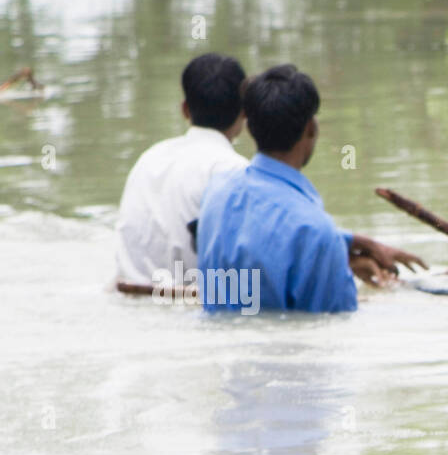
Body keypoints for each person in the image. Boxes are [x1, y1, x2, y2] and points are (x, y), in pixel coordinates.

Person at [196, 64, 424, 313]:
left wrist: (345, 243)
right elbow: (330, 326)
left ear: (250, 128)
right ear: (311, 128)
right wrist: (334, 251)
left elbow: (259, 238)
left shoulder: (216, 192)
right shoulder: (316, 231)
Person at [115, 54, 248, 294]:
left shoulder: (149, 158)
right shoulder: (236, 171)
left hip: (130, 298)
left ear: (185, 109)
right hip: (192, 310)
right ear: (244, 113)